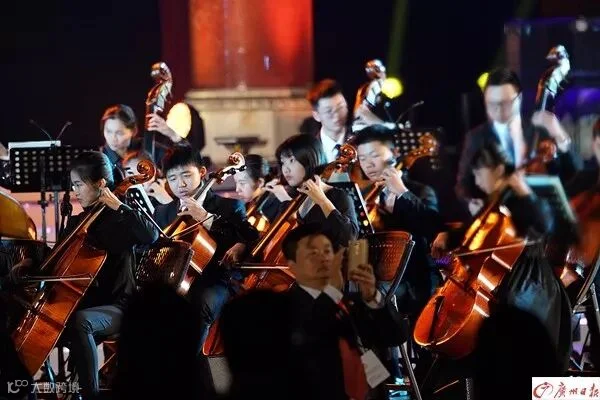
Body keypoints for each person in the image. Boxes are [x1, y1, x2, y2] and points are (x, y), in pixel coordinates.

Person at [12, 151, 160, 399]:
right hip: (83, 304)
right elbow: (55, 258)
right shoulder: (79, 223)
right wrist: (30, 259)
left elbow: (150, 235)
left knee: (82, 321)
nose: (75, 191)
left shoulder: (121, 220)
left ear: (100, 184)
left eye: (79, 184)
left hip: (118, 306)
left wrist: (119, 206)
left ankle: (91, 395)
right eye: (73, 185)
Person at [435, 142, 573, 371]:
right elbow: (475, 233)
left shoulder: (535, 191)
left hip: (530, 283)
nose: (477, 182)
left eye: (479, 175)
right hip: (498, 278)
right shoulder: (493, 202)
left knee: (502, 315)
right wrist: (449, 237)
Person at [281, 223, 406, 400]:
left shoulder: (349, 301)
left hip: (372, 389)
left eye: (327, 251)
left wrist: (373, 297)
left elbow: (396, 336)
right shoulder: (287, 310)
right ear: (293, 267)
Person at [153, 144, 259, 347]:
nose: (180, 184)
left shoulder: (229, 206)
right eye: (172, 178)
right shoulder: (162, 212)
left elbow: (249, 237)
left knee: (200, 303)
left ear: (202, 172)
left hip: (214, 280)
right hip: (172, 281)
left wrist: (205, 217)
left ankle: (185, 360)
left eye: (186, 175)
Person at [456, 67, 581, 214]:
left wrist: (560, 135)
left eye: (505, 103)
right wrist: (470, 203)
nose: (498, 110)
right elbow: (462, 184)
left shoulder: (541, 130)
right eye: (491, 104)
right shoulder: (475, 137)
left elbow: (575, 175)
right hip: (496, 219)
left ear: (519, 98)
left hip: (541, 217)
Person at [353, 124, 444, 315]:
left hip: (415, 282)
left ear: (394, 153)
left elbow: (433, 226)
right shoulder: (362, 195)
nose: (368, 164)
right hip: (375, 282)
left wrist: (402, 192)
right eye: (362, 158)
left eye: (374, 155)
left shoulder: (420, 191)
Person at [265, 134, 359, 248]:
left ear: (310, 158)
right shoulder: (293, 198)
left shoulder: (337, 195)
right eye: (283, 162)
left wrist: (322, 200)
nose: (286, 169)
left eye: (292, 160)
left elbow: (350, 237)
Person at [99, 104, 183, 182]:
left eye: (119, 133)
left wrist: (173, 135)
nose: (113, 138)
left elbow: (184, 159)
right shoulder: (100, 159)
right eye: (108, 131)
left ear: (133, 131)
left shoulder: (148, 147)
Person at [305, 79, 352, 163]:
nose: (337, 116)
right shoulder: (309, 152)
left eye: (340, 107)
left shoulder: (360, 142)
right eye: (328, 111)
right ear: (316, 116)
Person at [232, 153, 279, 229]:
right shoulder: (249, 204)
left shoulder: (272, 206)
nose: (237, 189)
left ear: (260, 182)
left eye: (242, 183)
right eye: (236, 183)